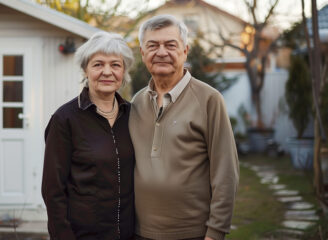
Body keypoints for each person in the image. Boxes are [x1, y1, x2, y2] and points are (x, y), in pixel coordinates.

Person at [129, 15, 239, 240]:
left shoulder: (209, 100)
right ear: (142, 54)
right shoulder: (136, 103)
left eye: (170, 45)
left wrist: (215, 232)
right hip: (140, 232)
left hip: (192, 233)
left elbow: (226, 172)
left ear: (185, 51)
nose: (161, 52)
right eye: (152, 46)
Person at [42, 31, 135, 240]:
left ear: (124, 71)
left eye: (115, 65)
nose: (107, 72)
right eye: (98, 64)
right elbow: (53, 190)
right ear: (85, 69)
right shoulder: (65, 119)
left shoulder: (133, 115)